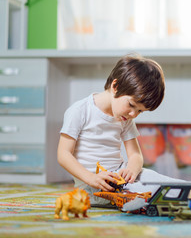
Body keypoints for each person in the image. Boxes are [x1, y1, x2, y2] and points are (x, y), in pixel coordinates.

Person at [57, 54, 183, 206]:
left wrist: (132, 169)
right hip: (92, 186)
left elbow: (135, 155)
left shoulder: (125, 118)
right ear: (115, 87)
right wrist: (91, 178)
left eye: (140, 111)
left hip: (119, 177)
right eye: (131, 105)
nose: (133, 114)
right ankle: (177, 195)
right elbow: (63, 154)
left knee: (153, 177)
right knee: (145, 191)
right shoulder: (80, 111)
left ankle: (187, 190)